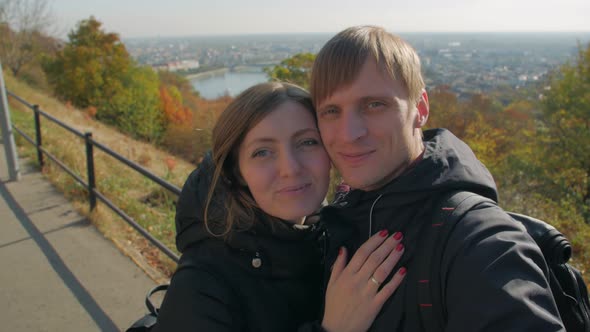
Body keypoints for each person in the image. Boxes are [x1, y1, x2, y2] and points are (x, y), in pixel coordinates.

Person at [310, 26, 566, 331]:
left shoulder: (481, 243)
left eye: (374, 105)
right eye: (331, 111)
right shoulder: (337, 222)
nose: (349, 134)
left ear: (420, 108)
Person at [153, 82, 407, 332]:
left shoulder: (334, 239)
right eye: (262, 152)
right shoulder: (201, 286)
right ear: (237, 172)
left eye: (307, 142)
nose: (290, 169)